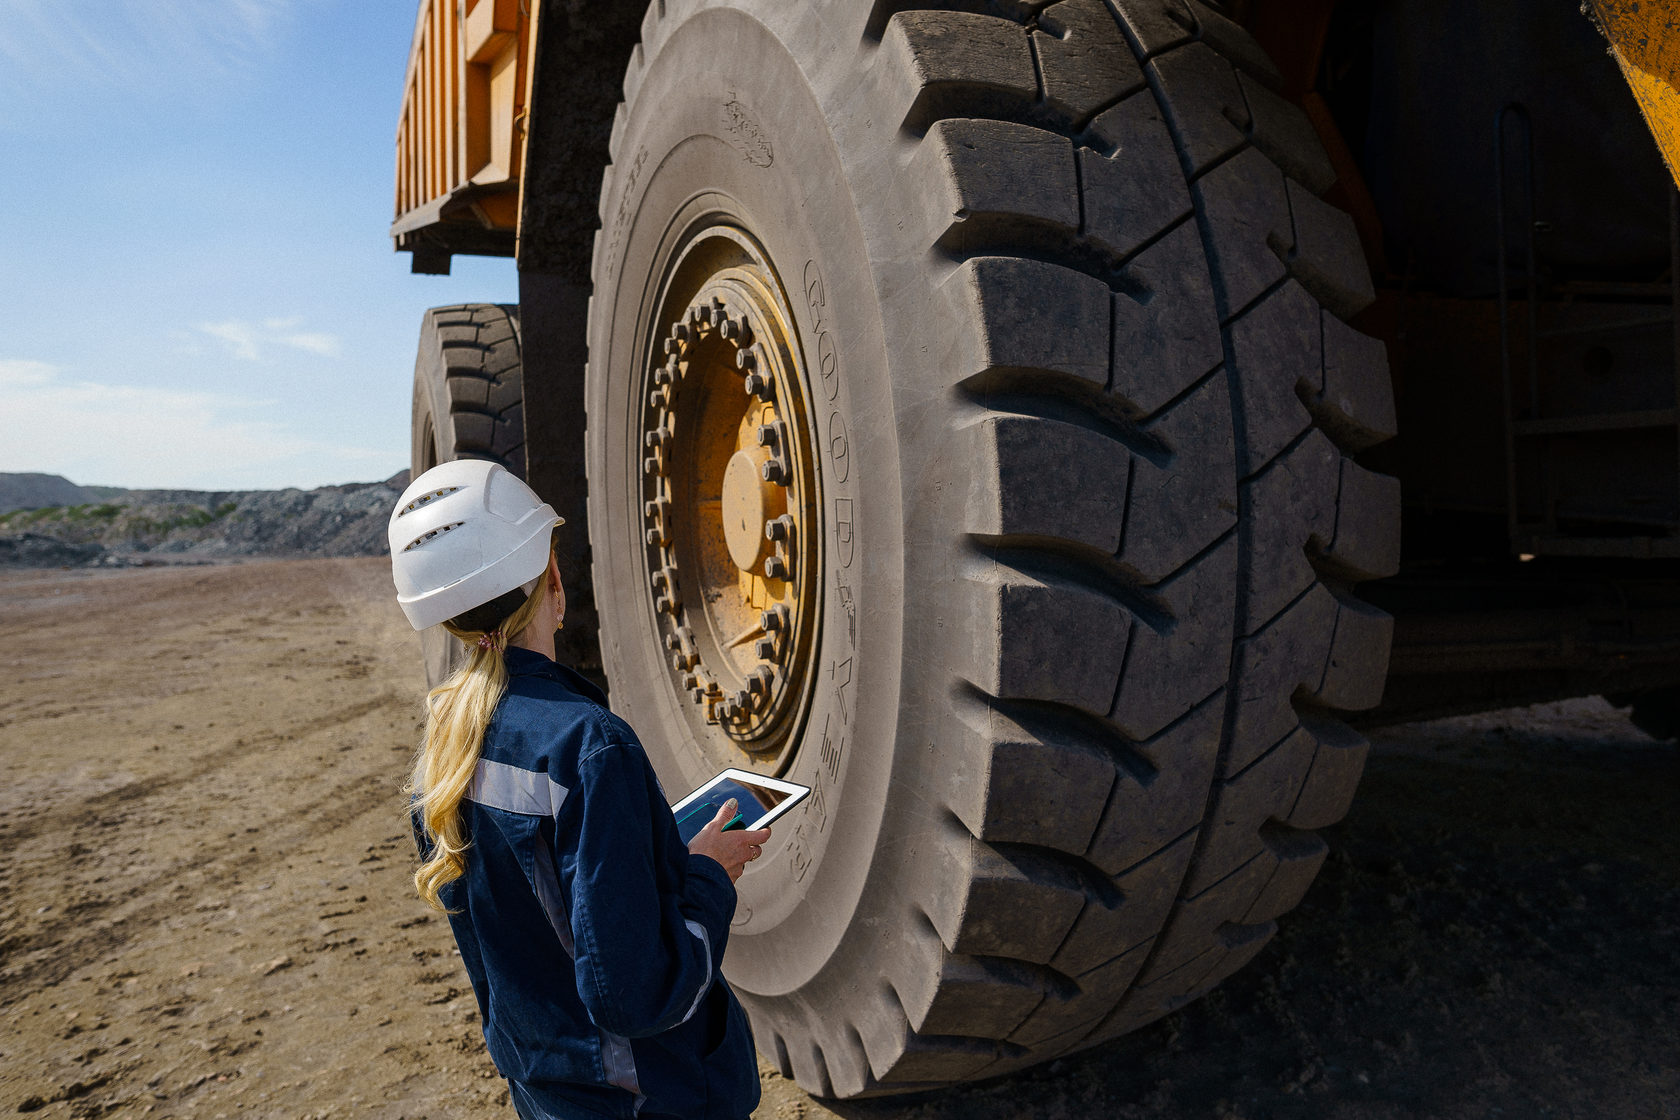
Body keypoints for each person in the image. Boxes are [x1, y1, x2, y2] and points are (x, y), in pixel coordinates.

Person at [388, 459, 768, 1120]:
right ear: (554, 581)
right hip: (649, 1099)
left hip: (546, 1094)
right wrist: (708, 876)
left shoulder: (441, 756)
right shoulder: (590, 747)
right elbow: (636, 996)